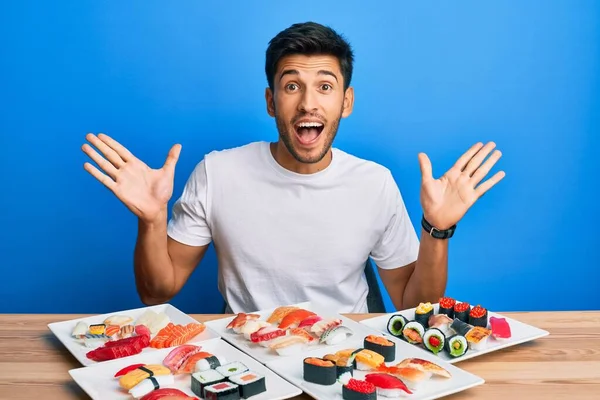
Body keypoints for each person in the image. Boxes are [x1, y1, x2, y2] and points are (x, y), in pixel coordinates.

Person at [81, 22, 505, 314]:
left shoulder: (374, 184)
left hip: (350, 361)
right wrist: (152, 221)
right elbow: (156, 292)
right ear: (271, 102)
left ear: (346, 101)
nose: (308, 103)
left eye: (325, 86)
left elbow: (414, 306)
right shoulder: (217, 173)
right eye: (291, 86)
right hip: (248, 360)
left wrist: (436, 229)